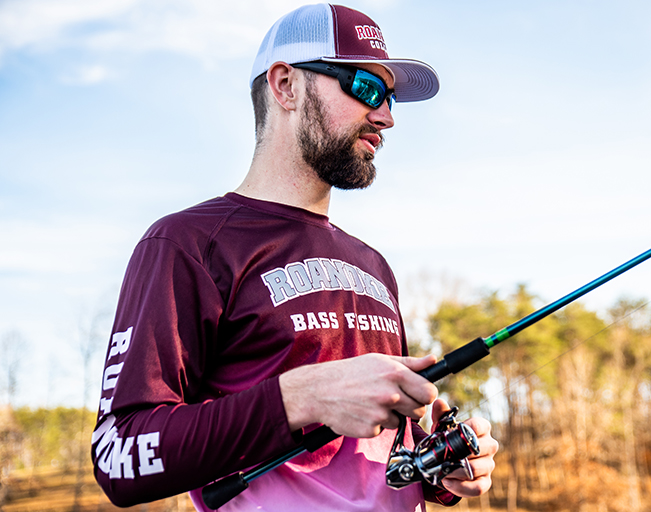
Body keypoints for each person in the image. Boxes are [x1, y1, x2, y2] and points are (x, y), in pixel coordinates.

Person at [91, 3, 498, 511]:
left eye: (391, 98)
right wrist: (301, 396)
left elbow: (387, 453)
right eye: (366, 89)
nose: (387, 117)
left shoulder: (374, 265)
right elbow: (118, 455)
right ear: (285, 85)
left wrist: (440, 469)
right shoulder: (187, 243)